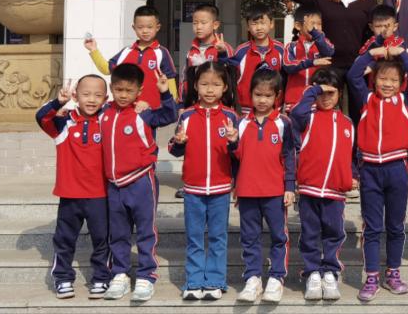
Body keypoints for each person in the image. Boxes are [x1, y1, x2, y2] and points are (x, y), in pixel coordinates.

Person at [347, 48, 408, 301]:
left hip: (397, 169)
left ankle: (393, 273)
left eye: (393, 80)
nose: (387, 84)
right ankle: (371, 277)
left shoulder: (405, 101)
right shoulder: (366, 99)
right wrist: (374, 52)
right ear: (374, 80)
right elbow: (353, 74)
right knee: (371, 227)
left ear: (401, 83)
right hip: (370, 170)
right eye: (382, 78)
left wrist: (401, 54)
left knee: (395, 226)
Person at [100, 63, 178, 302]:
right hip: (114, 185)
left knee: (145, 231)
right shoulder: (104, 113)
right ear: (111, 88)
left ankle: (146, 275)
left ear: (139, 91)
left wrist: (165, 93)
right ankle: (120, 274)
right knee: (118, 232)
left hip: (141, 181)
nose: (123, 95)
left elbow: (170, 115)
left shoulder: (143, 113)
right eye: (119, 89)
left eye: (129, 91)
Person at [168, 60, 240, 301]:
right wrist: (179, 141)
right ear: (195, 86)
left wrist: (234, 142)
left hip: (220, 189)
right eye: (204, 84)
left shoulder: (231, 116)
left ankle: (215, 281)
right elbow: (173, 149)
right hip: (193, 189)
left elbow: (239, 154)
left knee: (218, 238)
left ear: (225, 87)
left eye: (216, 84)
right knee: (195, 238)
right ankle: (194, 281)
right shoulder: (187, 116)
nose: (210, 90)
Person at [36, 75, 111, 300]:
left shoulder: (108, 121)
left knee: (102, 239)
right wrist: (58, 102)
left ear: (106, 98)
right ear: (76, 96)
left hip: (100, 195)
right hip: (70, 194)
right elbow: (41, 117)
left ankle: (101, 278)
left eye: (98, 95)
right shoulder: (63, 123)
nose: (92, 99)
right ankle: (63, 278)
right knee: (64, 239)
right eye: (86, 94)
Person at [289, 69, 356, 301]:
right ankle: (312, 273)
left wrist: (353, 175)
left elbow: (350, 155)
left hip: (335, 191)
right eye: (321, 93)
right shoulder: (307, 117)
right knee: (310, 233)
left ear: (340, 94)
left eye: (331, 93)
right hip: (309, 188)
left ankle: (330, 272)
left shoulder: (347, 123)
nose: (325, 97)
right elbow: (296, 112)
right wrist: (314, 90)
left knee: (334, 233)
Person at [232, 69, 297, 305]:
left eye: (268, 96)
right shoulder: (240, 123)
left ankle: (276, 278)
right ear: (250, 94)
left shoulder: (283, 123)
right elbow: (235, 158)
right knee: (249, 237)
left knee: (279, 236)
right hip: (248, 191)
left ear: (277, 96)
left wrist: (289, 186)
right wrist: (236, 184)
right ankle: (253, 278)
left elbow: (289, 156)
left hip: (275, 192)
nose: (262, 100)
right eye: (258, 95)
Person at [84, 4, 178, 108]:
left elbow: (170, 79)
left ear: (157, 27)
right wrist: (93, 50)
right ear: (134, 27)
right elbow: (106, 69)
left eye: (149, 27)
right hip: (128, 111)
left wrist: (173, 105)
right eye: (140, 27)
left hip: (153, 111)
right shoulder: (126, 51)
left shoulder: (161, 52)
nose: (145, 31)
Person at [231, 6, 286, 116]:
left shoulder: (280, 49)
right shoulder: (241, 51)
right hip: (247, 109)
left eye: (263, 23)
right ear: (248, 27)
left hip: (274, 108)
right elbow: (232, 79)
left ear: (271, 24)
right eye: (254, 24)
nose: (259, 27)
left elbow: (286, 79)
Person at [281, 5, 334, 111]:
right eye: (312, 24)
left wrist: (314, 33)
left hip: (318, 101)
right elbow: (288, 66)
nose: (316, 28)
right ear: (298, 25)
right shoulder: (291, 47)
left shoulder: (324, 44)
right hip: (294, 100)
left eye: (319, 24)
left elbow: (329, 52)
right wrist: (311, 62)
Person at [182, 3, 233, 97]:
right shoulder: (192, 50)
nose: (198, 27)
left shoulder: (225, 48)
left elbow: (230, 76)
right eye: (195, 23)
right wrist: (183, 100)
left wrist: (222, 53)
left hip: (217, 101)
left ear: (215, 25)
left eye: (203, 23)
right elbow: (185, 77)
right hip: (194, 101)